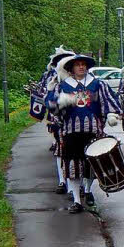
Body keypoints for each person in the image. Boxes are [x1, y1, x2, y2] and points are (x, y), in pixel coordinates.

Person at [47, 53, 121, 213]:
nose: (81, 67)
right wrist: (61, 102)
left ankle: (87, 191)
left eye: (84, 64)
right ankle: (76, 201)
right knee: (73, 167)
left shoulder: (97, 84)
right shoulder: (63, 86)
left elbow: (109, 100)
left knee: (92, 165)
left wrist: (110, 114)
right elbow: (52, 108)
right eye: (77, 64)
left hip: (93, 131)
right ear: (71, 68)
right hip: (71, 132)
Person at [42, 46, 74, 195]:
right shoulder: (52, 78)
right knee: (60, 150)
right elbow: (46, 97)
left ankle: (79, 184)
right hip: (58, 120)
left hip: (78, 122)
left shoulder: (80, 78)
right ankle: (62, 180)